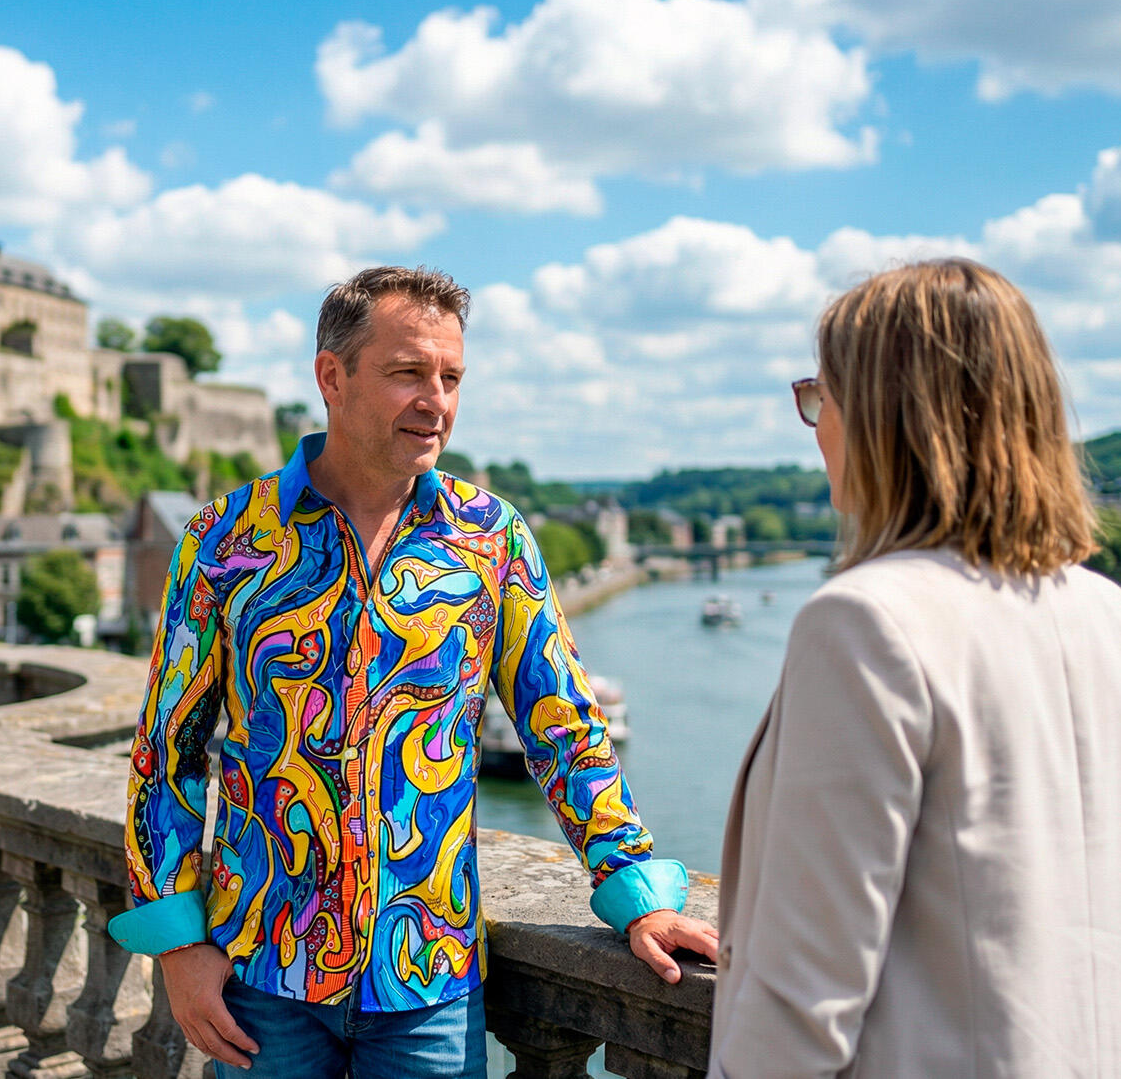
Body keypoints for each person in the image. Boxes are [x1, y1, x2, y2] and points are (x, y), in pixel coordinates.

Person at [109, 266, 716, 1079]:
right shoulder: (225, 540)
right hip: (260, 980)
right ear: (332, 376)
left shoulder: (489, 537)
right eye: (408, 373)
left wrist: (634, 888)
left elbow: (563, 728)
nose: (437, 400)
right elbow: (167, 752)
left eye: (451, 377)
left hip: (428, 984)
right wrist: (178, 944)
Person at [710, 258, 1121, 1077]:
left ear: (884, 419)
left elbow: (802, 997)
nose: (818, 427)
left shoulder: (864, 622)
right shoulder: (1110, 614)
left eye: (822, 398)